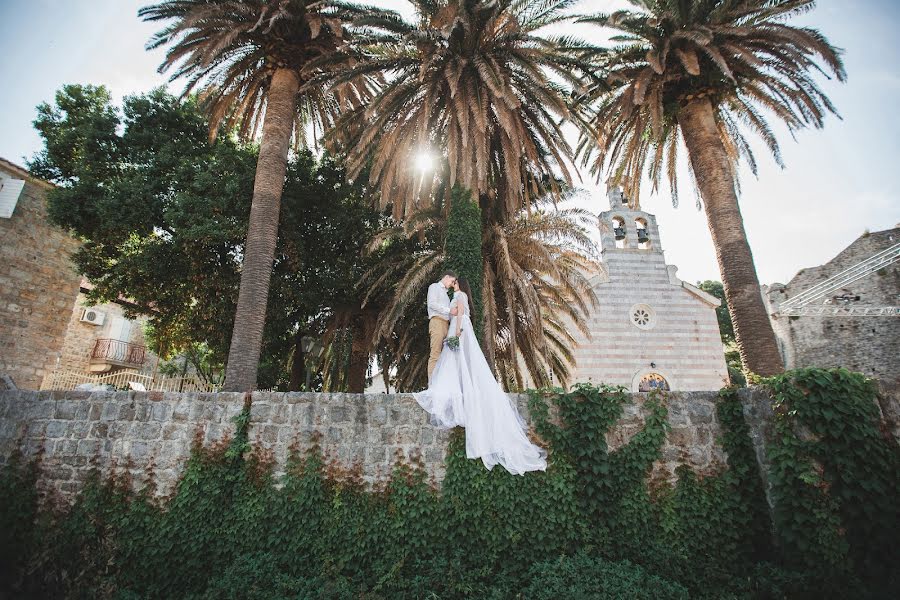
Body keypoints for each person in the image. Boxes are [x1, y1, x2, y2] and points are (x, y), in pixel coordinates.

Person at [414, 277, 548, 476]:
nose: (454, 284)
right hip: (460, 328)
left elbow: (459, 314)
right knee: (458, 361)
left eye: (456, 282)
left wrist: (457, 332)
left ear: (460, 284)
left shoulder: (459, 295)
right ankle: (457, 385)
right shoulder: (460, 295)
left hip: (458, 328)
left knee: (453, 360)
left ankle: (446, 387)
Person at [426, 271, 458, 380]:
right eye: (452, 281)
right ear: (446, 277)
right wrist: (449, 310)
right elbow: (432, 304)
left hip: (446, 325)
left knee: (445, 356)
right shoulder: (434, 287)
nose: (452, 284)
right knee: (435, 354)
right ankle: (431, 384)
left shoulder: (446, 294)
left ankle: (441, 382)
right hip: (437, 322)